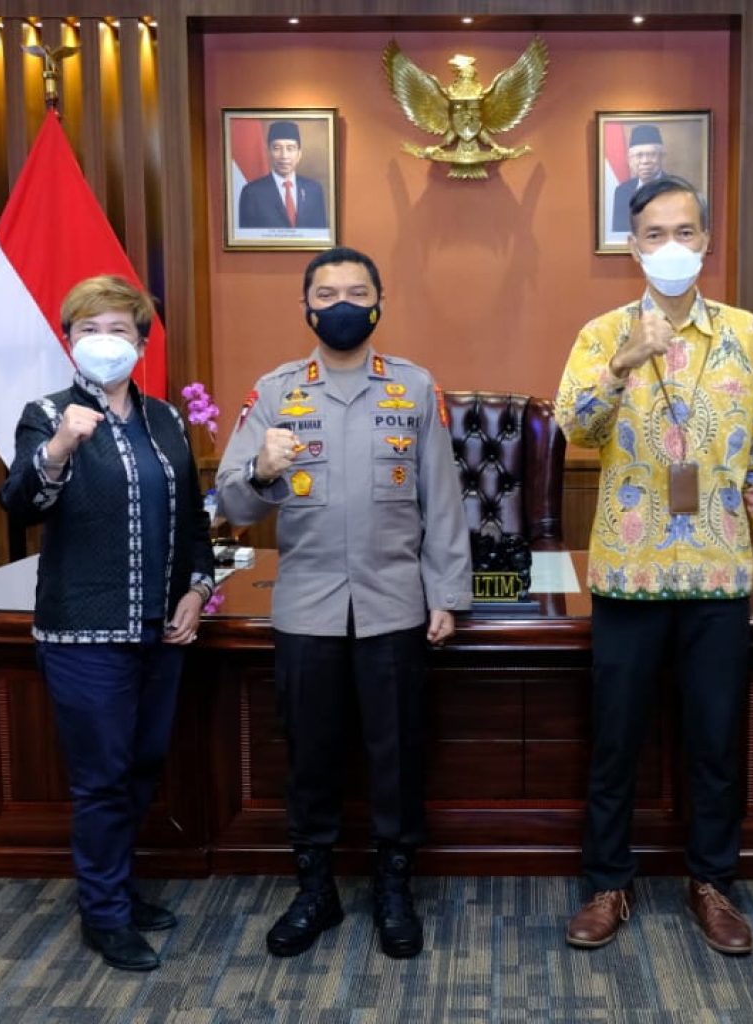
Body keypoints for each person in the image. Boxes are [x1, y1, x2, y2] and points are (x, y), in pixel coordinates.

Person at [214, 246, 471, 961]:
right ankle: (315, 889)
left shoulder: (413, 388)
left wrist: (448, 593)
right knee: (310, 755)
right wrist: (261, 468)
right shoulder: (276, 392)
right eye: (326, 294)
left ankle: (394, 886)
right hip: (307, 607)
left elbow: (442, 500)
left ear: (379, 302)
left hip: (395, 604)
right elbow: (231, 503)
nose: (342, 305)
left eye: (357, 292)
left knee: (397, 753)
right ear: (306, 308)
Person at [556, 175, 753, 956]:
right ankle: (607, 883)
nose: (672, 247)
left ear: (707, 240)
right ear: (633, 247)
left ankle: (713, 882)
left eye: (685, 232)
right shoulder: (601, 335)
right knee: (616, 741)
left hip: (721, 573)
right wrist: (624, 363)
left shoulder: (748, 337)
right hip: (630, 576)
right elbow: (573, 427)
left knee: (716, 741)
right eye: (655, 235)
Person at [0, 275, 215, 972]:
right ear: (68, 341)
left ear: (142, 344)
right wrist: (60, 446)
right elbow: (19, 502)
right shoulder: (46, 413)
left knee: (143, 767)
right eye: (89, 329)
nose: (104, 341)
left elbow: (192, 520)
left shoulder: (166, 419)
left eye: (119, 329)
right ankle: (104, 914)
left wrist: (197, 590)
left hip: (162, 631)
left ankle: (115, 888)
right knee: (101, 779)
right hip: (83, 635)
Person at [238, 120, 328, 230]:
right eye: (277, 148)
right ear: (268, 152)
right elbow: (247, 236)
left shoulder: (314, 190)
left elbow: (321, 233)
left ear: (299, 154)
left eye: (290, 148)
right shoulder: (252, 193)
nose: (284, 156)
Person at [611, 124, 666, 234]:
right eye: (639, 156)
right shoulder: (622, 191)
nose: (645, 161)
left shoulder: (677, 189)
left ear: (661, 157)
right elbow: (619, 233)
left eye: (651, 155)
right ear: (630, 160)